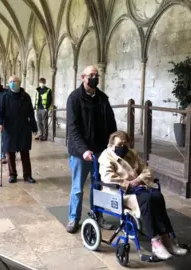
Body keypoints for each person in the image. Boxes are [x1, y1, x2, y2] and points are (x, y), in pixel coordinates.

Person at [98, 131, 188, 260]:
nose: (122, 147)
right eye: (119, 144)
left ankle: (166, 238)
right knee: (147, 199)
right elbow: (108, 178)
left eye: (125, 144)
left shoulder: (131, 153)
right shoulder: (106, 157)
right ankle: (155, 242)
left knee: (157, 196)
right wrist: (128, 184)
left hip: (138, 186)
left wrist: (138, 180)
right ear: (112, 145)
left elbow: (147, 170)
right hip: (119, 191)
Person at [66, 65, 117, 233]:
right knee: (78, 187)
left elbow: (111, 123)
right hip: (81, 152)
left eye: (97, 75)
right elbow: (72, 129)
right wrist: (83, 150)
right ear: (83, 77)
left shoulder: (102, 98)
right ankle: (74, 218)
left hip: (100, 151)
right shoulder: (74, 98)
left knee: (98, 186)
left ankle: (98, 216)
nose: (94, 78)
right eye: (91, 75)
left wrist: (113, 143)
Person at [0, 75, 37, 184]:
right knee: (10, 153)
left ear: (19, 83)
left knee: (25, 153)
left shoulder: (26, 96)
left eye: (14, 81)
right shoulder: (4, 97)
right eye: (10, 81)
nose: (12, 83)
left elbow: (31, 113)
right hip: (9, 129)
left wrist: (34, 126)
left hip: (23, 128)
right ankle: (12, 174)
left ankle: (27, 175)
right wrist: (0, 123)